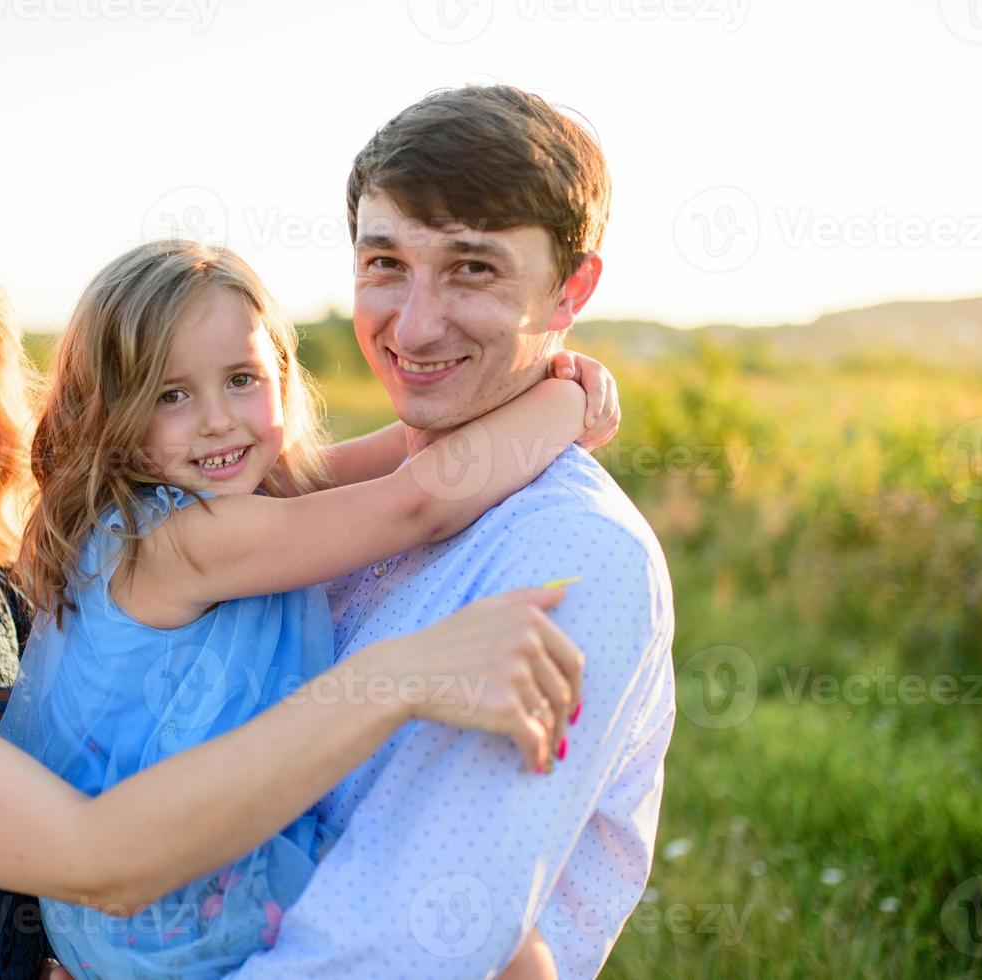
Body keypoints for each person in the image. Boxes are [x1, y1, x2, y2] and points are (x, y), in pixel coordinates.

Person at [0, 223, 604, 978]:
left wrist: (546, 379)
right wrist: (396, 677)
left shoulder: (5, 598)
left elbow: (376, 471)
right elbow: (99, 855)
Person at [0, 239, 619, 978]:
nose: (217, 421)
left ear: (282, 375)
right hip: (167, 906)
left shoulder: (238, 490)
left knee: (508, 946)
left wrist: (542, 373)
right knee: (503, 948)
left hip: (187, 872)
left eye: (241, 379)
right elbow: (416, 503)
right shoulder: (175, 538)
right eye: (171, 395)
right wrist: (571, 403)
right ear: (109, 413)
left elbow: (411, 449)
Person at [235, 84, 678, 979]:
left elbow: (396, 950)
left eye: (473, 268)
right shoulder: (340, 501)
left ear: (571, 289)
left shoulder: (572, 557)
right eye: (386, 263)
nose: (416, 323)